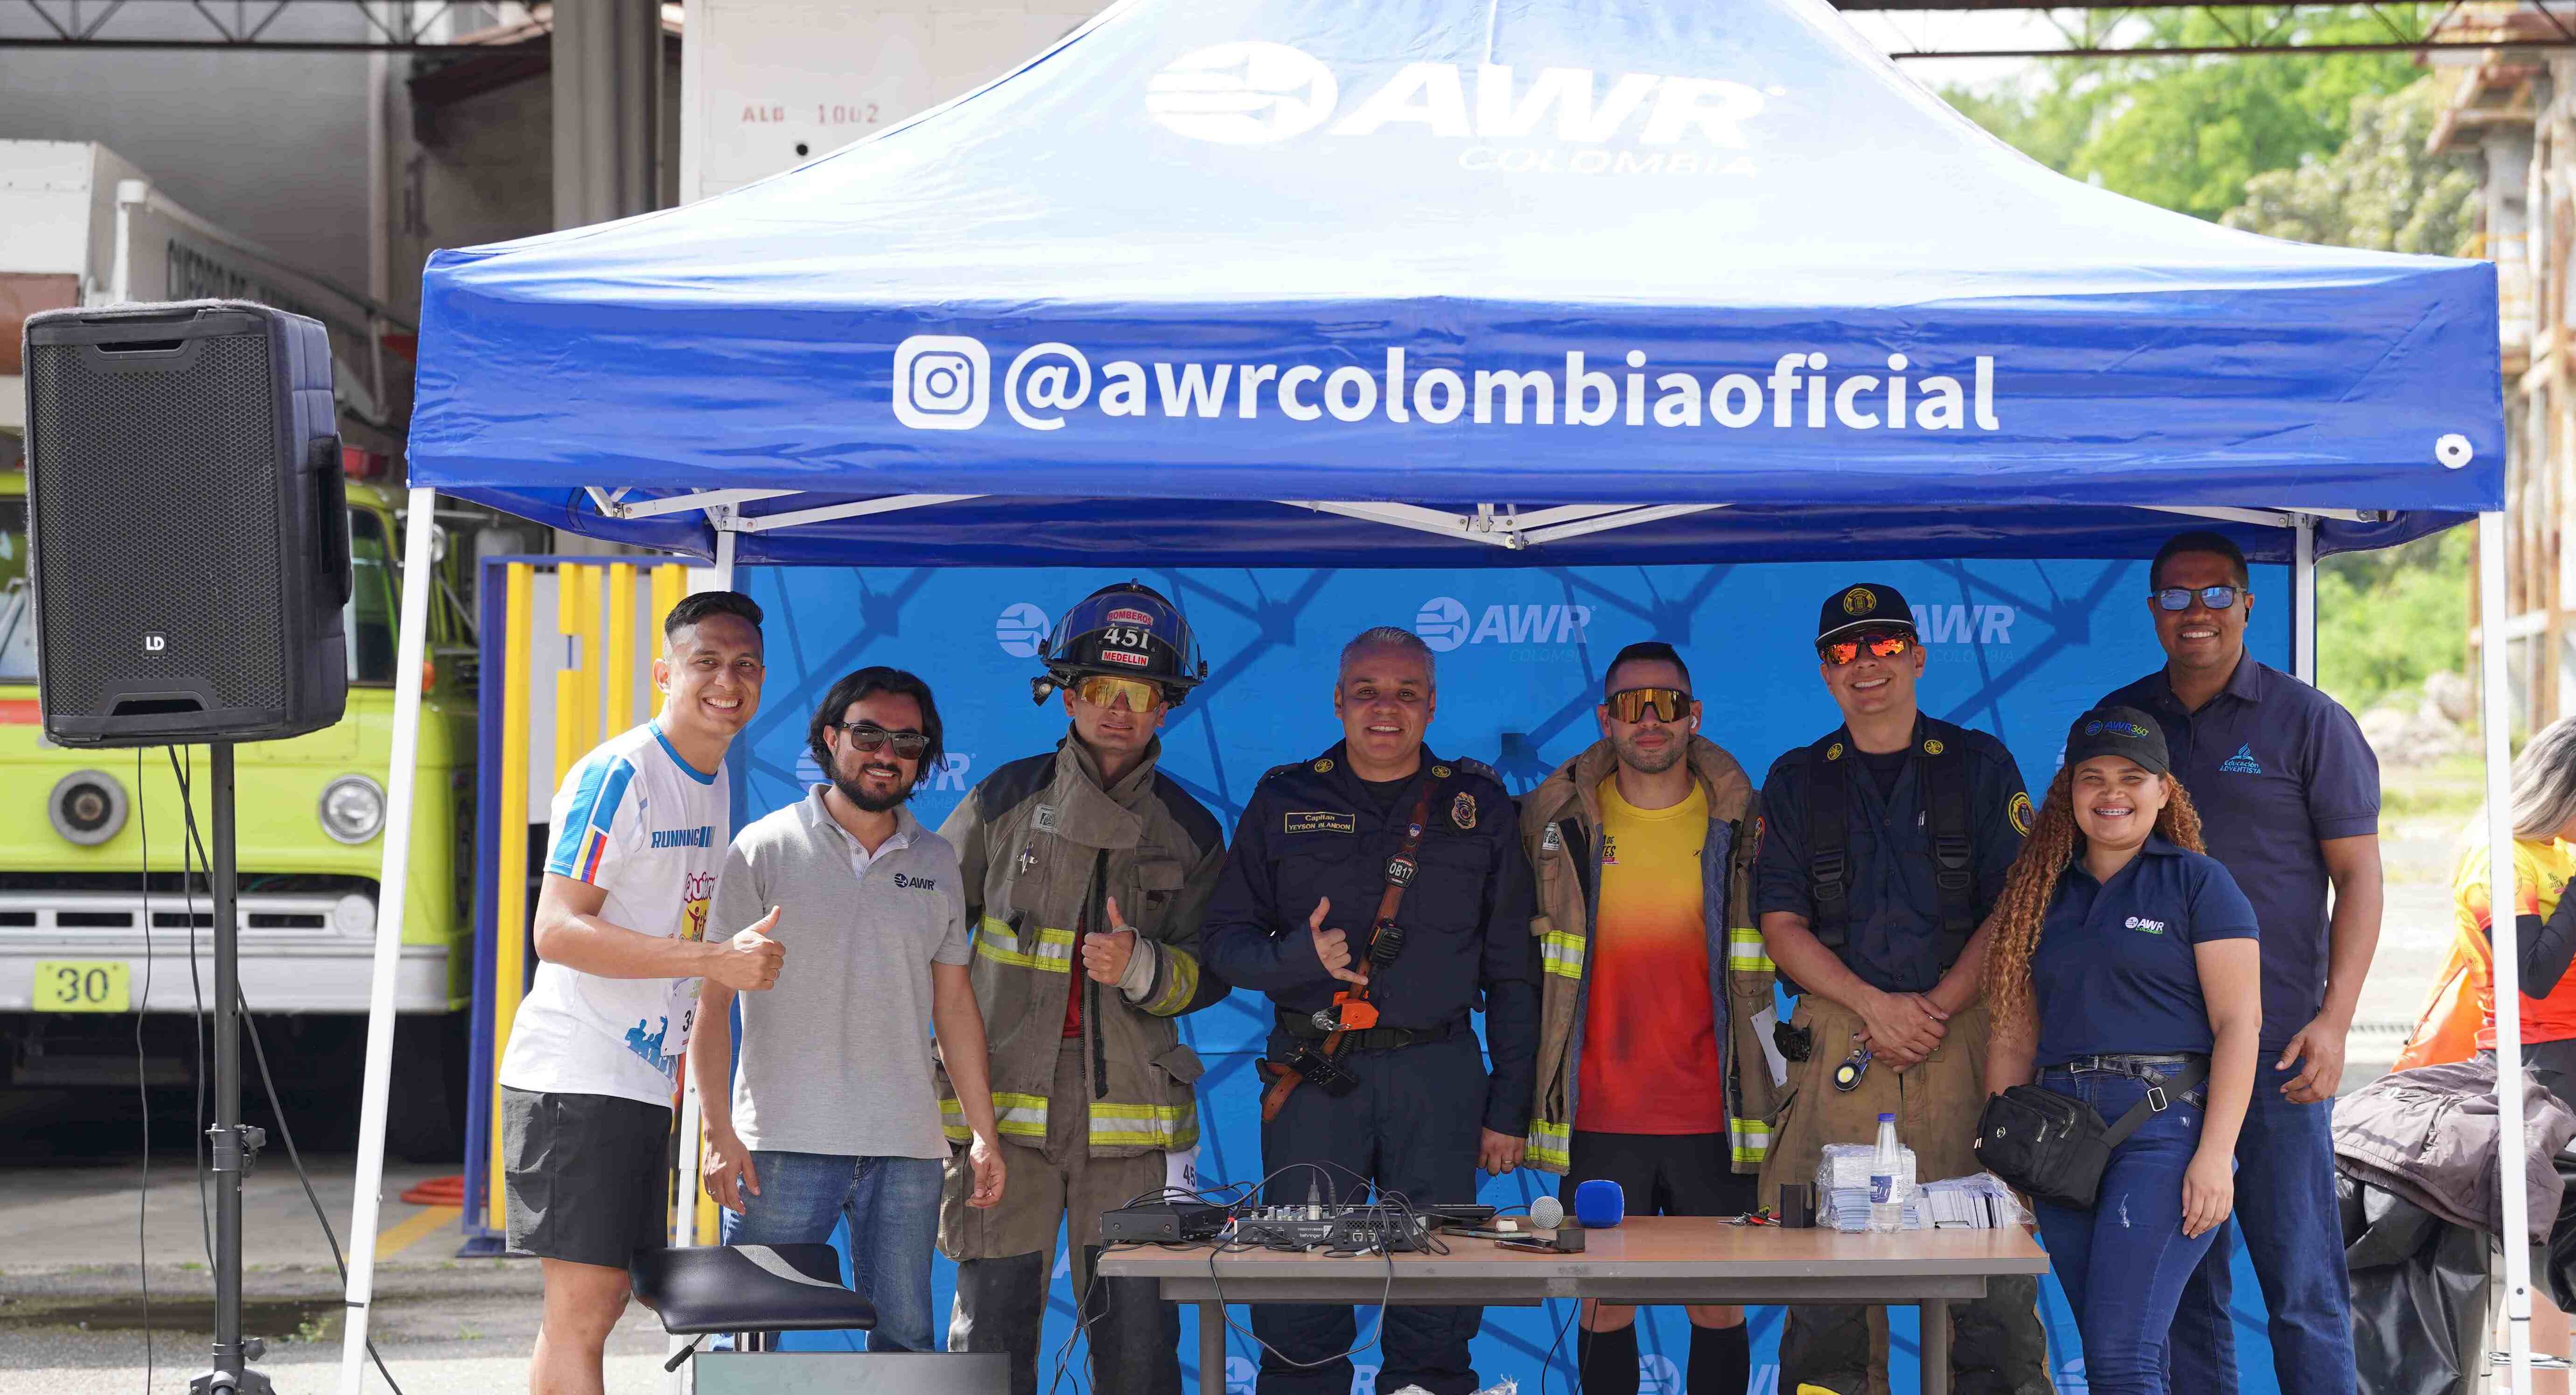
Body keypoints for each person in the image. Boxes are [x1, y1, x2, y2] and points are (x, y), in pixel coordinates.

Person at [1201, 626, 1539, 1395]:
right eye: (1367, 693)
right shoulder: (1285, 797)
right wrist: (1297, 960)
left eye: (1406, 694)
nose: (1385, 710)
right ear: (1338, 702)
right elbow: (1223, 943)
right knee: (1299, 1309)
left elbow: (1516, 973)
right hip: (1316, 1078)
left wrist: (1509, 1109)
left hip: (1440, 1076)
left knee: (1437, 1303)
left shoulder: (1477, 804)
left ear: (1431, 706)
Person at [2096, 530, 2380, 1395]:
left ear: (2248, 605)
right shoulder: (2121, 723)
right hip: (2155, 1064)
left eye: (2216, 594)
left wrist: (2335, 1023)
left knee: (2304, 1293)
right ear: (2152, 611)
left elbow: (2359, 876)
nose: (2197, 614)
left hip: (2280, 1052)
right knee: (2186, 1300)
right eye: (2176, 598)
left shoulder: (2309, 721)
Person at [1754, 582, 2049, 1395]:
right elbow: (1782, 926)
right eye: (1843, 652)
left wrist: (1939, 1008)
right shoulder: (1797, 779)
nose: (1865, 665)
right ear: (1824, 673)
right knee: (1826, 1288)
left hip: (1965, 1049)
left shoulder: (1979, 767)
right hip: (1842, 1044)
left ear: (1917, 656)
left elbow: (2014, 908)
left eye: (1883, 646)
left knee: (1989, 1273)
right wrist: (1877, 1008)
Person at [937, 582, 1231, 1395]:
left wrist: (1143, 967)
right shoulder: (1003, 801)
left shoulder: (1192, 830)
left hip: (1132, 1133)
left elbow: (1215, 970)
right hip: (1006, 1119)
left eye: (1140, 693)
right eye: (1101, 689)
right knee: (988, 1341)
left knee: (1137, 1346)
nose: (1119, 710)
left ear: (1166, 707)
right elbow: (924, 936)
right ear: (1068, 695)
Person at [497, 590, 784, 1395]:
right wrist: (713, 958)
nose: (727, 682)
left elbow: (693, 968)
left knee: (599, 1305)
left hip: (636, 1083)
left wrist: (715, 1122)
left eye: (745, 666)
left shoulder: (716, 775)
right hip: (574, 1076)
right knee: (583, 1312)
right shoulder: (618, 773)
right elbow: (555, 931)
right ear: (664, 672)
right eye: (706, 663)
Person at [692, 667, 1006, 1354]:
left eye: (907, 739)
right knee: (744, 1347)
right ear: (830, 737)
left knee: (906, 1345)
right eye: (867, 733)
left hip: (906, 1152)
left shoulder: (938, 860)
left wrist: (982, 1132)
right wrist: (717, 1133)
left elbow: (954, 1004)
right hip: (777, 1147)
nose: (885, 752)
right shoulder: (764, 846)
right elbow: (710, 1005)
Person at [1985, 707, 2263, 1395]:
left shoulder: (2200, 882)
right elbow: (2014, 1032)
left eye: (2133, 778)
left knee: (2122, 1360)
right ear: (2069, 792)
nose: (2112, 793)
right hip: (2057, 1138)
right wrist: (2000, 1155)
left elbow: (2240, 1024)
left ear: (2165, 790)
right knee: (2126, 1356)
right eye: (2093, 778)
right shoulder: (2038, 891)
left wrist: (2215, 1155)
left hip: (2163, 1130)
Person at [1519, 641, 1767, 1395]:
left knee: (1718, 1307)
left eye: (1668, 703)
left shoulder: (1747, 819)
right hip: (1598, 1109)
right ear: (1606, 720)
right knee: (1602, 1304)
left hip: (1713, 1109)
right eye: (1632, 705)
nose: (1650, 719)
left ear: (1696, 716)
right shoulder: (1551, 818)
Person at [2449, 714, 2576, 1109]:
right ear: (2563, 794)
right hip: (2540, 1058)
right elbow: (2532, 976)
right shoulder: (2498, 857)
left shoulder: (2556, 848)